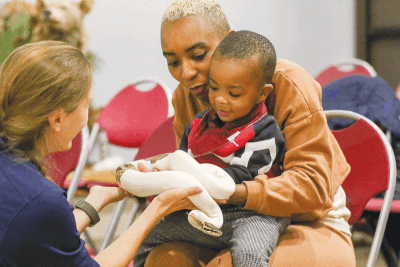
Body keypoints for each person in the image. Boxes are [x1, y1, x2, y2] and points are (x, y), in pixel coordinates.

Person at [144, 0, 356, 266]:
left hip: (309, 222)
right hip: (224, 221)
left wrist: (233, 191)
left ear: (228, 41)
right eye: (173, 62)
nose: (186, 72)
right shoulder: (186, 96)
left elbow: (313, 190)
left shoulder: (288, 83)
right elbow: (192, 176)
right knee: (163, 260)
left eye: (198, 55)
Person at [0, 40, 204, 267]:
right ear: (57, 119)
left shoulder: (17, 178)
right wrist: (158, 208)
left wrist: (93, 202)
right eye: (87, 104)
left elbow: (38, 234)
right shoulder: (40, 199)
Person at [132, 30, 289, 267]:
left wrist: (194, 176)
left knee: (249, 254)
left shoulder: (264, 130)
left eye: (234, 93)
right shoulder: (197, 125)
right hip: (206, 210)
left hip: (254, 215)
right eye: (214, 89)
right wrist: (161, 176)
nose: (221, 100)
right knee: (143, 235)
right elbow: (181, 164)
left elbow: (241, 176)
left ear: (262, 93)